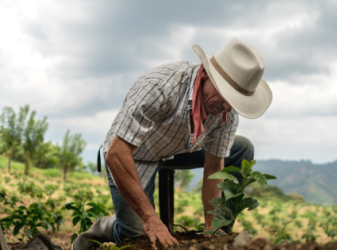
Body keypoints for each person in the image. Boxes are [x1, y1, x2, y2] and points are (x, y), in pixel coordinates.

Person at [73, 37, 273, 250]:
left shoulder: (226, 111)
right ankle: (106, 226)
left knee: (242, 148)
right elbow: (116, 153)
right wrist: (150, 218)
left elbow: (214, 167)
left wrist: (211, 226)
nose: (226, 106)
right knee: (135, 236)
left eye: (234, 101)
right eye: (225, 95)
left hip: (179, 148)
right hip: (134, 154)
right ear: (206, 74)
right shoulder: (160, 87)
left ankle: (221, 231)